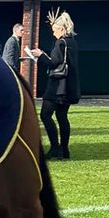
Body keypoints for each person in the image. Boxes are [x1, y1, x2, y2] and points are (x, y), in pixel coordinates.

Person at [35, 10, 80, 160]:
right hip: (69, 85)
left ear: (61, 29)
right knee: (62, 116)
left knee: (45, 115)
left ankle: (55, 147)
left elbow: (53, 62)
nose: (53, 33)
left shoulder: (60, 42)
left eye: (54, 30)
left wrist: (40, 55)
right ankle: (64, 150)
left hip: (57, 86)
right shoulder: (72, 42)